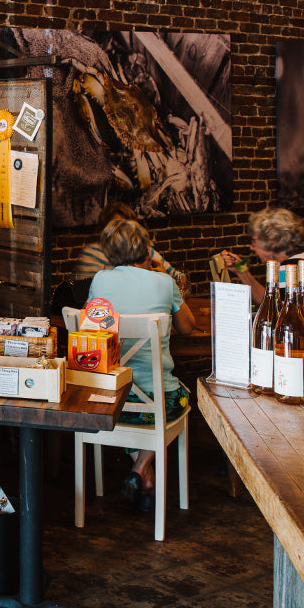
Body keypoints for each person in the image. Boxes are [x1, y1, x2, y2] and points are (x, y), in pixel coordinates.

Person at [87, 218, 195, 514]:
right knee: (181, 399)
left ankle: (145, 481)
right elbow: (187, 327)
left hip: (112, 399)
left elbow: (95, 327)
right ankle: (140, 473)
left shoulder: (100, 280)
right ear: (146, 249)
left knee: (133, 405)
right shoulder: (164, 282)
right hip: (160, 402)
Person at [72, 201, 188, 298]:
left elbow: (180, 279)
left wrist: (166, 277)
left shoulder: (145, 251)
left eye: (126, 226)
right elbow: (84, 295)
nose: (122, 232)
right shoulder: (92, 253)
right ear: (105, 229)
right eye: (116, 226)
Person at [219, 206, 304, 303]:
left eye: (254, 241)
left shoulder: (288, 270)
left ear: (271, 242)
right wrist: (242, 272)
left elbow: (274, 315)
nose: (251, 247)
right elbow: (269, 302)